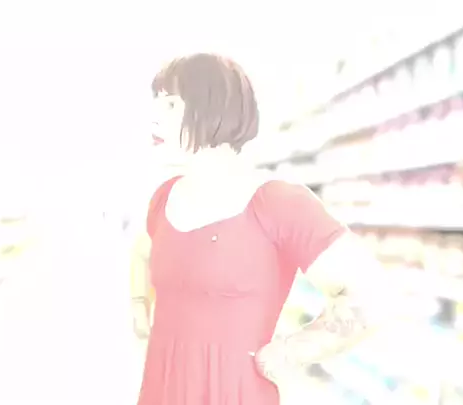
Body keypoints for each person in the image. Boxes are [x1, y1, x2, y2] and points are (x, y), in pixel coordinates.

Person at [130, 53, 405, 404]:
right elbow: (144, 251)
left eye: (170, 104)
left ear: (215, 109)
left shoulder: (277, 203)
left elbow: (373, 293)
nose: (154, 117)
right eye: (156, 102)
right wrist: (139, 307)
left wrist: (292, 351)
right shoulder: (163, 198)